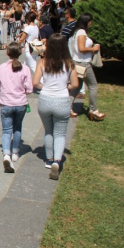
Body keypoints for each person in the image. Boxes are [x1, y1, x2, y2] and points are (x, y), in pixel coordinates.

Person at [33, 34, 79, 179]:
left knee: (48, 131)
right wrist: (66, 86)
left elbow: (35, 83)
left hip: (45, 99)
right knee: (60, 133)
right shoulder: (69, 63)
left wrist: (44, 86)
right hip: (62, 100)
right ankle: (57, 161)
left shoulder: (42, 62)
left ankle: (49, 159)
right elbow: (76, 84)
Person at [0, 42, 33, 173]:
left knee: (6, 130)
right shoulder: (25, 68)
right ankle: (15, 152)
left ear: (7, 53)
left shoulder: (1, 67)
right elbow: (29, 89)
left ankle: (6, 154)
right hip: (20, 103)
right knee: (17, 128)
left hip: (6, 103)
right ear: (20, 53)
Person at [68, 13, 105, 121]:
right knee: (93, 85)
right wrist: (94, 49)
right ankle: (93, 110)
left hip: (77, 62)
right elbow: (81, 48)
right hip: (83, 63)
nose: (91, 23)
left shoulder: (76, 32)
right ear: (87, 22)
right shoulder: (81, 32)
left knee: (77, 86)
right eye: (90, 21)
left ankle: (68, 107)